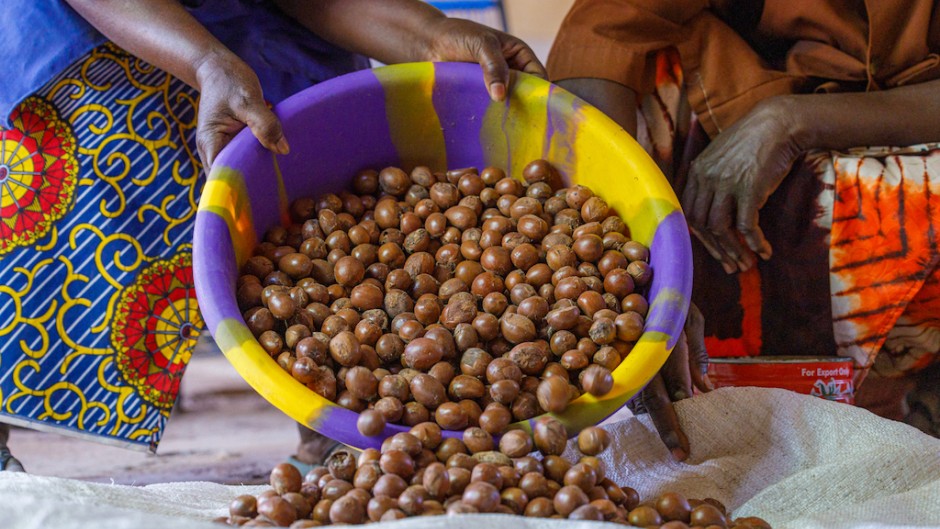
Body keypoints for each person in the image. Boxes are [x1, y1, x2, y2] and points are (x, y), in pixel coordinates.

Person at [0, 0, 544, 471]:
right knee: (109, 152)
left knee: (315, 152)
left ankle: (338, 414)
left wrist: (430, 33)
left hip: (259, 23)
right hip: (97, 24)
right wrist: (205, 62)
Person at [547, 0, 940, 456]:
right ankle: (715, 392)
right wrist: (634, 269)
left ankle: (910, 407)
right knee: (641, 86)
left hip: (916, 115)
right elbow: (605, 29)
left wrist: (790, 121)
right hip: (735, 89)